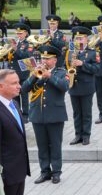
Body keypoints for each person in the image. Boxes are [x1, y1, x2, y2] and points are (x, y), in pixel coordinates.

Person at [22, 45, 69, 184]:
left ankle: (56, 172)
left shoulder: (61, 72)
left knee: (55, 144)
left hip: (55, 114)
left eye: (48, 59)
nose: (44, 61)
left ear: (55, 60)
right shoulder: (36, 72)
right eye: (43, 58)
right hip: (38, 114)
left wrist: (50, 76)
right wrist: (34, 77)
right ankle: (44, 172)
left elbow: (64, 87)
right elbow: (24, 89)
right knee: (42, 145)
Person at [68, 27, 100, 145]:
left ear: (86, 39)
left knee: (86, 113)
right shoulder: (71, 52)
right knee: (76, 113)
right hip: (74, 86)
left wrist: (83, 64)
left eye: (81, 38)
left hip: (86, 87)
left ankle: (86, 135)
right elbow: (65, 67)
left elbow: (97, 69)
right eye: (76, 38)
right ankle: (78, 135)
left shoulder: (92, 53)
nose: (78, 40)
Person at [11, 24, 33, 119]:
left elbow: (26, 55)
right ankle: (17, 112)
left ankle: (25, 114)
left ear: (26, 33)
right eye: (17, 33)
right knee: (15, 94)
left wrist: (16, 49)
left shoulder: (29, 43)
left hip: (24, 72)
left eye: (21, 33)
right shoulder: (16, 43)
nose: (19, 35)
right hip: (15, 71)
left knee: (23, 93)